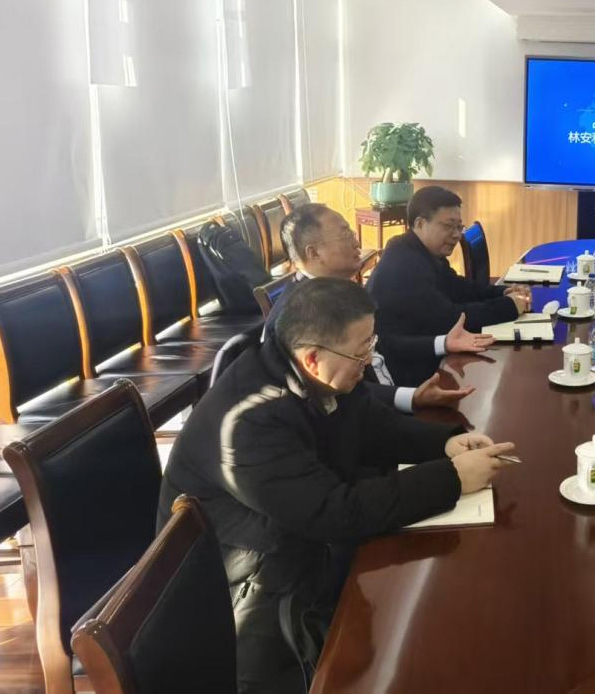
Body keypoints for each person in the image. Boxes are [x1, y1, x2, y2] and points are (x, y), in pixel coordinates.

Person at [159, 277, 516, 693]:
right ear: (313, 358)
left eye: (371, 343)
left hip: (294, 547)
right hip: (247, 596)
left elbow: (369, 421)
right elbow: (334, 512)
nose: (370, 359)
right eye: (362, 351)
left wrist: (444, 443)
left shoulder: (311, 369)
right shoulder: (247, 424)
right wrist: (452, 478)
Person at [275, 203, 494, 411]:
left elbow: (382, 343)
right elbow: (338, 395)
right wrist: (411, 397)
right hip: (375, 415)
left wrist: (444, 343)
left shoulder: (336, 290)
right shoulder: (299, 315)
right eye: (345, 234)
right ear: (314, 253)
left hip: (395, 392)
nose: (357, 242)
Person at [368, 186, 531, 385]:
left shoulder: (419, 250)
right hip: (407, 369)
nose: (456, 235)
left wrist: (503, 292)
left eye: (459, 227)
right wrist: (510, 306)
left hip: (430, 352)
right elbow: (451, 320)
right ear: (420, 223)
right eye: (448, 226)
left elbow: (459, 288)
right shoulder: (405, 263)